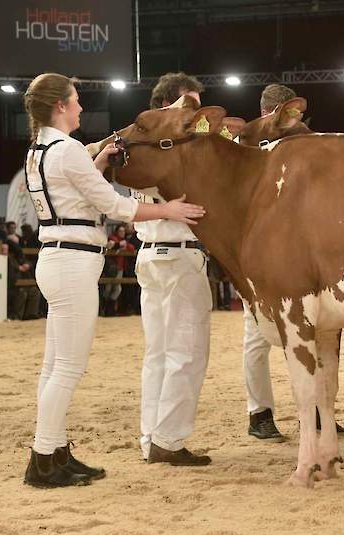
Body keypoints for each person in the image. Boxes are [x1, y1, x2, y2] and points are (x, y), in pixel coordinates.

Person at [21, 72, 205, 488]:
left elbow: (79, 185)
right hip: (72, 260)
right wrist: (169, 211)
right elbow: (113, 205)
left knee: (55, 365)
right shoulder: (66, 149)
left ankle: (54, 449)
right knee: (67, 367)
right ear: (60, 107)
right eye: (76, 100)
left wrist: (101, 160)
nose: (81, 107)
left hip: (57, 255)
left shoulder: (39, 150)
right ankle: (43, 459)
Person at [242, 83, 344, 440]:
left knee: (320, 332)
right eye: (292, 116)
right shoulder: (244, 148)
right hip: (260, 253)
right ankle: (259, 412)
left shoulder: (306, 146)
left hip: (305, 251)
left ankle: (320, 414)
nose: (297, 123)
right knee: (258, 335)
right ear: (272, 113)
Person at [130, 71, 214, 467]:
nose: (194, 116)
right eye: (189, 105)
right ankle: (168, 440)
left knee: (159, 353)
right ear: (170, 105)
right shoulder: (170, 147)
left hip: (149, 252)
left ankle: (151, 436)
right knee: (187, 351)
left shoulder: (136, 143)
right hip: (180, 254)